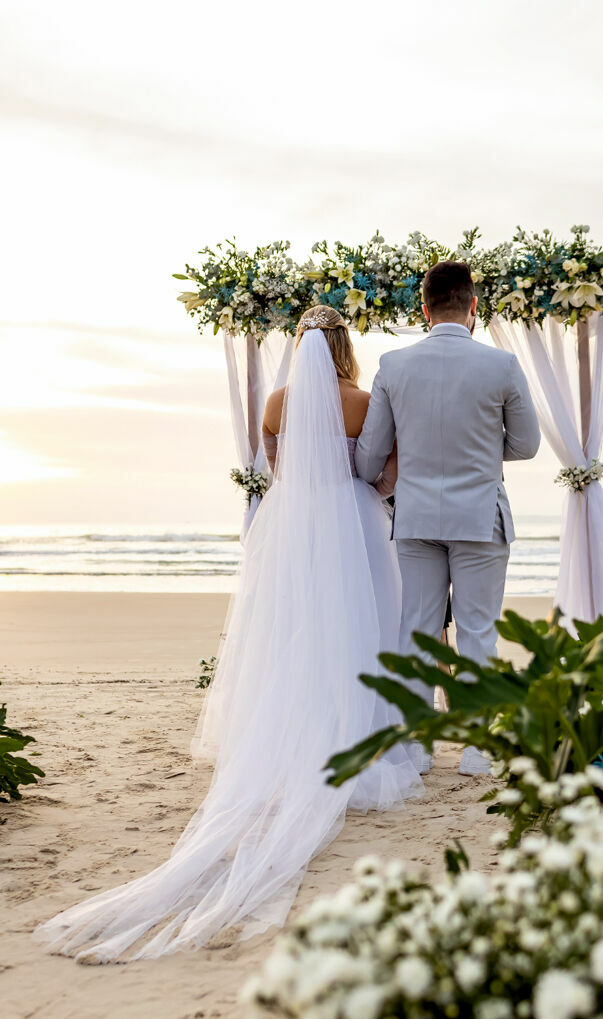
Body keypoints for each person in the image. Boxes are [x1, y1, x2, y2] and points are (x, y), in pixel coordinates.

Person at [34, 307, 423, 962]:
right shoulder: (362, 402)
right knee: (365, 631)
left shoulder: (274, 403)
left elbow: (277, 470)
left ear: (299, 346)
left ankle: (288, 737)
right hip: (354, 527)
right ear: (342, 345)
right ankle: (360, 740)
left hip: (291, 526)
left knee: (294, 633)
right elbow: (383, 477)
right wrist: (364, 483)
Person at [355, 261, 541, 775]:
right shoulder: (501, 365)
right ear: (473, 306)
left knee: (416, 630)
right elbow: (526, 445)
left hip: (415, 518)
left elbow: (370, 458)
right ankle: (477, 750)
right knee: (478, 633)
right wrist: (481, 451)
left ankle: (417, 747)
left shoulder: (393, 366)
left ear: (424, 309)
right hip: (480, 517)